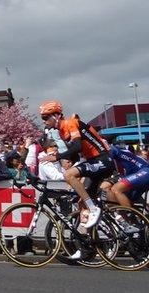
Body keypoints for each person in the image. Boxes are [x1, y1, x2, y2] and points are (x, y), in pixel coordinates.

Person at [37, 100, 111, 234]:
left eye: (46, 117)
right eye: (42, 118)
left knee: (68, 175)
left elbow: (78, 146)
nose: (44, 121)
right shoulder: (61, 132)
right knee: (82, 203)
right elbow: (76, 155)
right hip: (94, 161)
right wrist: (63, 159)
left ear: (56, 116)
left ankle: (94, 209)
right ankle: (88, 246)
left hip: (103, 159)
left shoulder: (70, 123)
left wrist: (57, 156)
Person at [101, 144, 149, 208]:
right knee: (104, 187)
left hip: (139, 180)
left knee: (116, 189)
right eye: (145, 149)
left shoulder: (143, 163)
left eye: (146, 150)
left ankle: (128, 215)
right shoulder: (130, 155)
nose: (146, 152)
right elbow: (113, 150)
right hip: (127, 179)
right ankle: (120, 213)